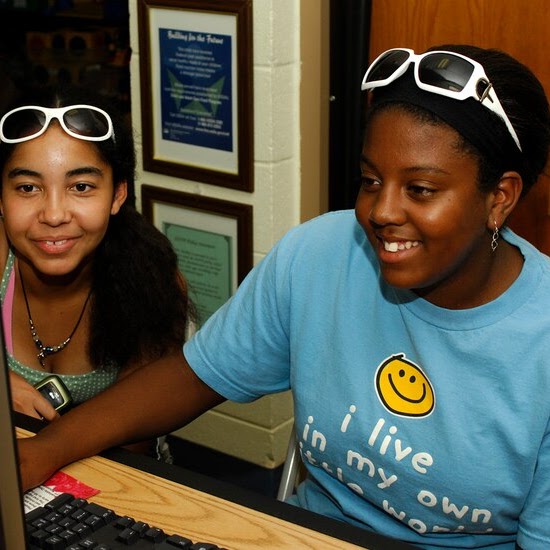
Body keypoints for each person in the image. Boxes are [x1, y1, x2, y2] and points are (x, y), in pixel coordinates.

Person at [16, 44, 550, 549]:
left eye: (421, 190)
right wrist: (45, 450)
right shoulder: (321, 253)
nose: (381, 212)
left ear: (498, 197)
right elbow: (194, 374)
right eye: (369, 180)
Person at [1, 84, 193, 457]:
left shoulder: (152, 282)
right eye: (27, 187)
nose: (54, 214)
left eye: (82, 186)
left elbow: (133, 443)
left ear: (118, 195)